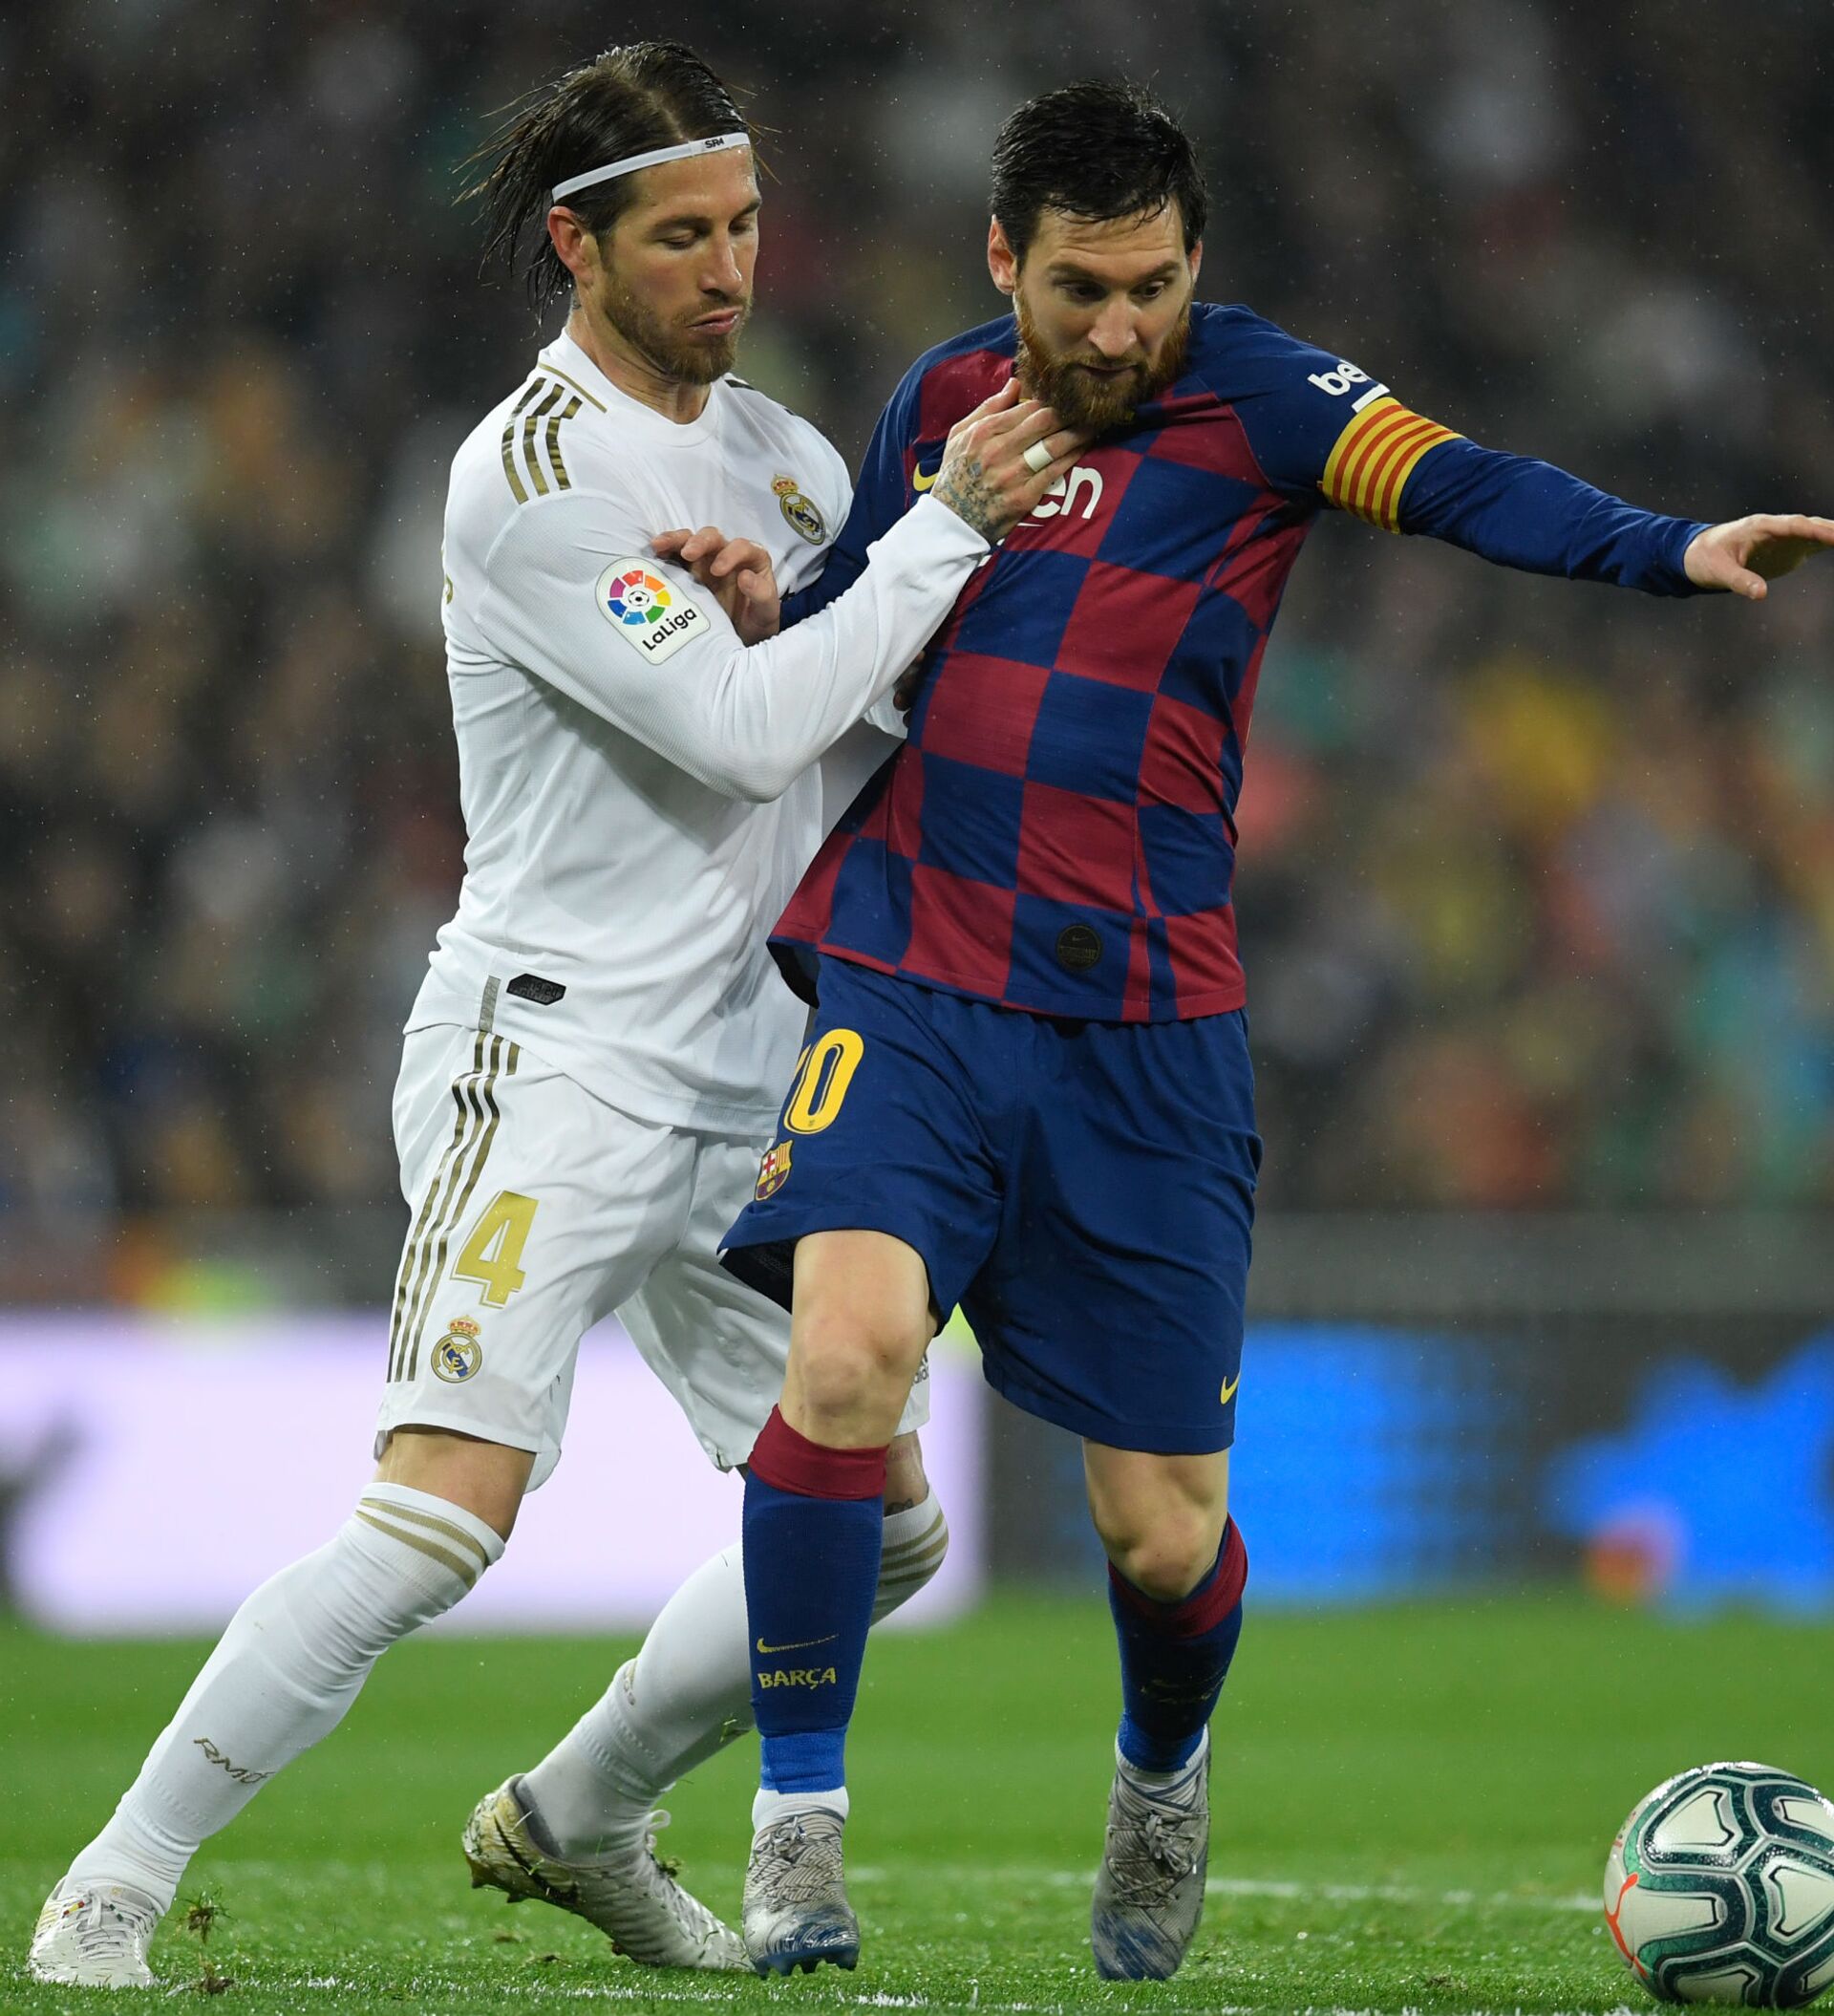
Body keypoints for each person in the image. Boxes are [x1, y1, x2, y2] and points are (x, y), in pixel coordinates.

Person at [713, 79, 1834, 1982]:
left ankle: (1162, 1770)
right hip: (919, 963)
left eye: (1152, 287)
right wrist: (777, 604)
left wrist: (1666, 546)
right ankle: (795, 1833)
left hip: (1149, 1020)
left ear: (1194, 267)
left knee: (1161, 1535)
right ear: (1003, 262)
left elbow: (1465, 479)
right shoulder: (941, 402)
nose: (1119, 329)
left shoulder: (1264, 397)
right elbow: (861, 625)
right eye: (1080, 289)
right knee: (848, 1353)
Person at [28, 42, 1082, 1990]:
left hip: (752, 1063)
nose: (729, 268)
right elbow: (738, 730)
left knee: (881, 1523)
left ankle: (580, 1810)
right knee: (442, 1518)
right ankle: (112, 1880)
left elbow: (839, 730)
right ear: (577, 247)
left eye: (745, 225)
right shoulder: (532, 480)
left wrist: (820, 613)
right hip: (557, 1053)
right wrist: (934, 533)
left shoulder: (786, 463)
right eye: (682, 235)